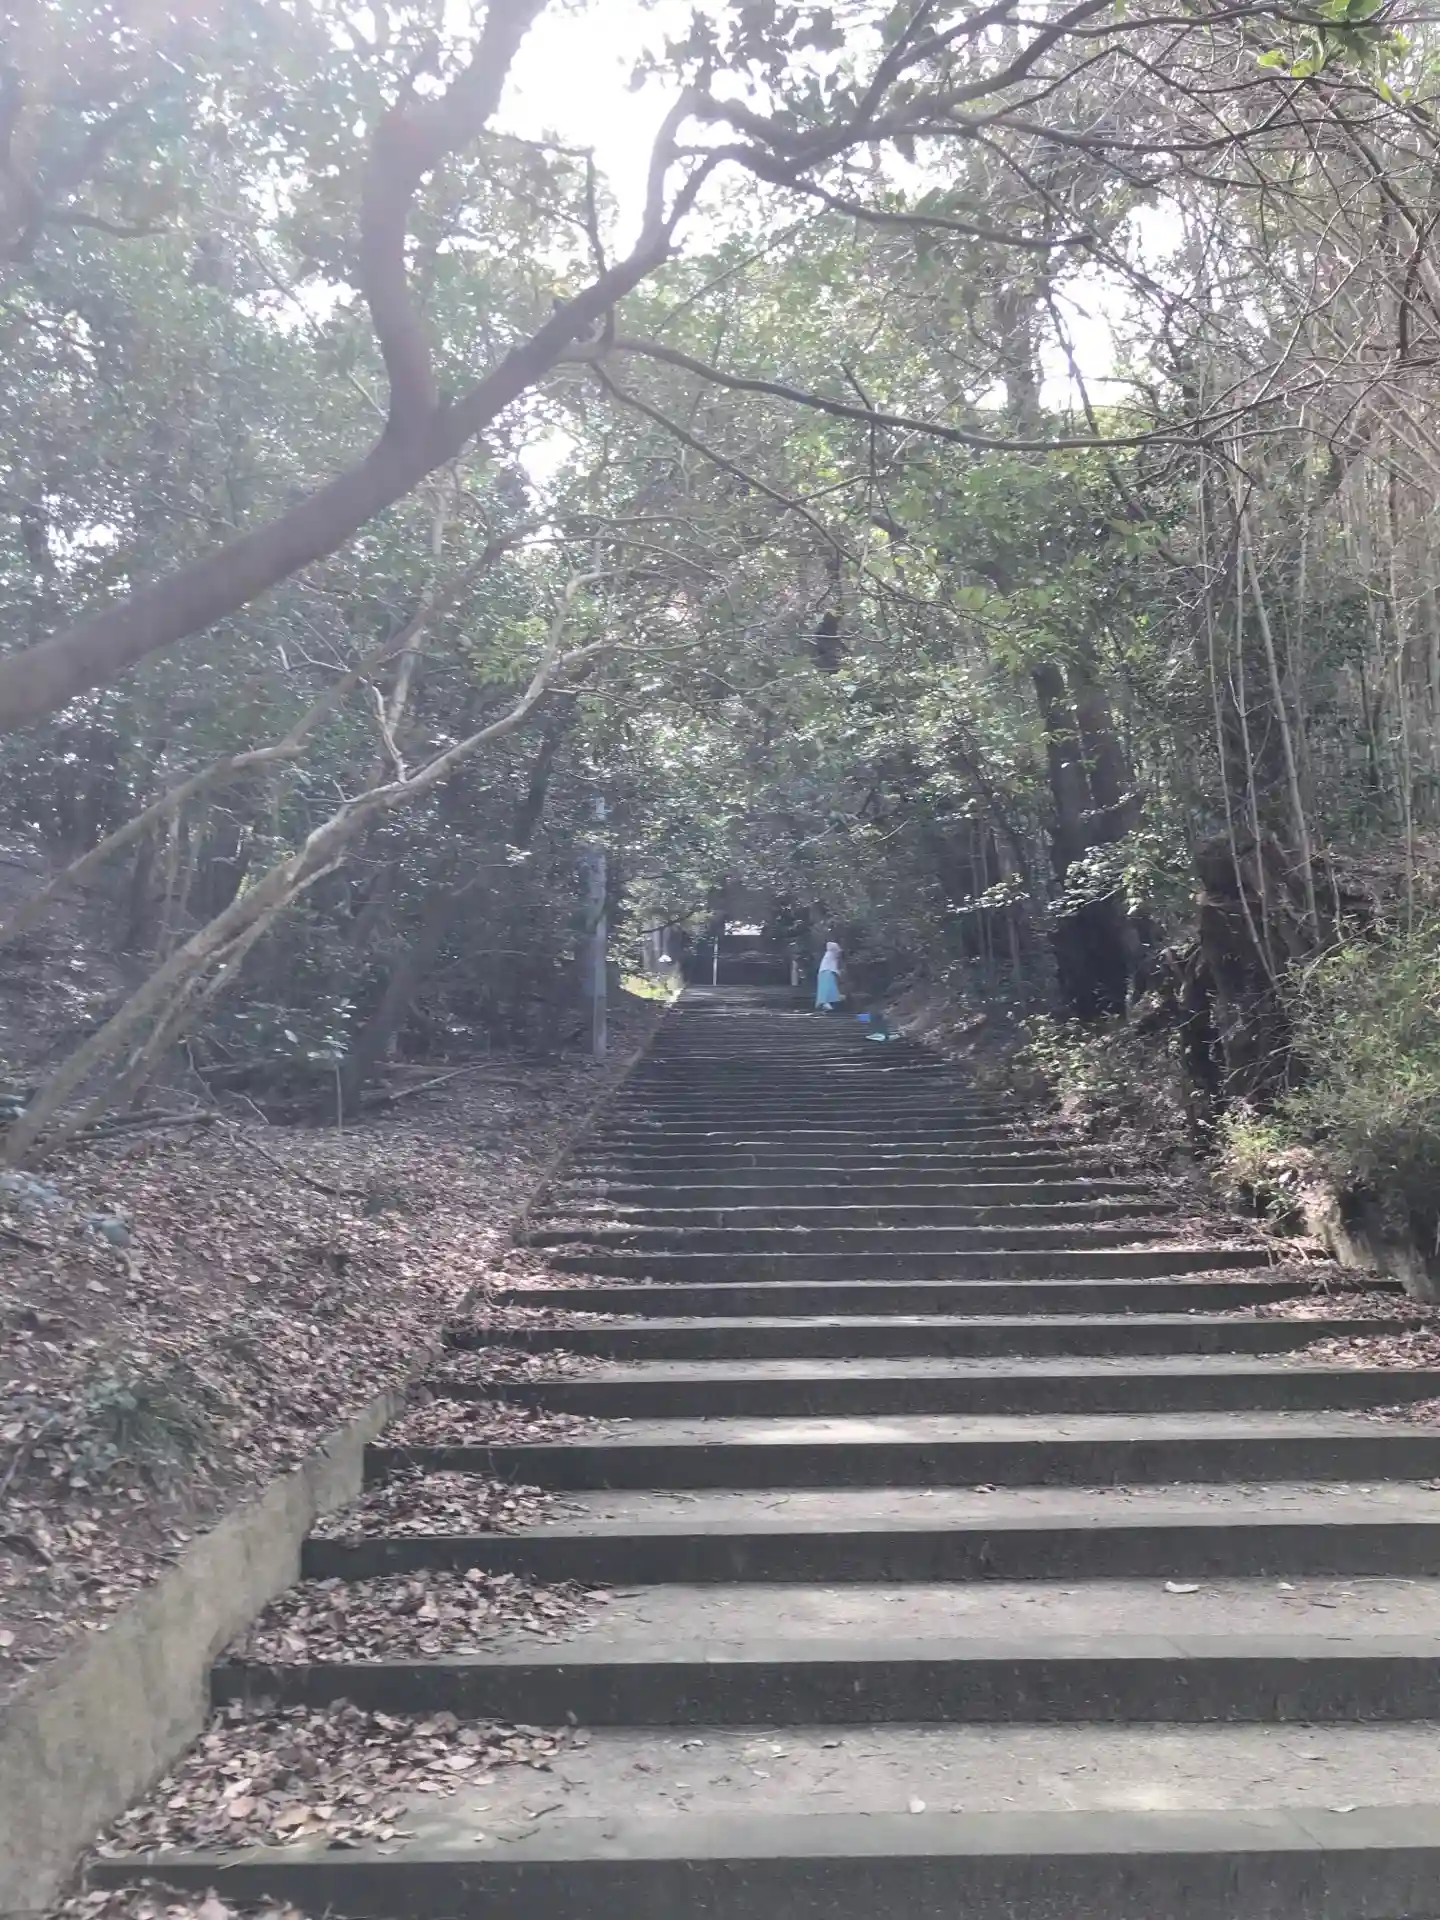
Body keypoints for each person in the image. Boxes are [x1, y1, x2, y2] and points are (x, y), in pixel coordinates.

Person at [815, 940, 843, 1011]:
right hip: (826, 972)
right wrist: (838, 972)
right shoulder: (830, 955)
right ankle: (824, 1002)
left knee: (830, 987)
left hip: (827, 972)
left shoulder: (830, 955)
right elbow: (832, 966)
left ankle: (825, 1002)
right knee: (826, 987)